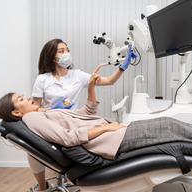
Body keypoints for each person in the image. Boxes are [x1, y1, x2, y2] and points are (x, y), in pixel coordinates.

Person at [0, 64, 192, 160]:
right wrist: (106, 128)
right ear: (16, 113)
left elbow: (85, 115)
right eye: (21, 99)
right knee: (170, 126)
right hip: (111, 139)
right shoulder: (33, 117)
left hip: (113, 134)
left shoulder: (41, 112)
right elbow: (68, 138)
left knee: (170, 124)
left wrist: (90, 89)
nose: (28, 98)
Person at [31, 38, 137, 191]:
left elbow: (109, 81)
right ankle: (42, 187)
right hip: (51, 121)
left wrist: (123, 66)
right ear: (53, 57)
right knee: (33, 147)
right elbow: (34, 110)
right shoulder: (42, 79)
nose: (66, 53)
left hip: (72, 121)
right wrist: (53, 108)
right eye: (61, 51)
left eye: (67, 50)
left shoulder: (77, 75)